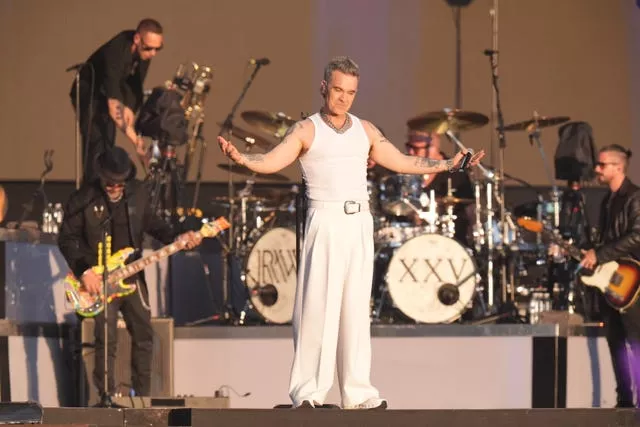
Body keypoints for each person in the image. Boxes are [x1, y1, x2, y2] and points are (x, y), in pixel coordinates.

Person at [218, 56, 484, 409]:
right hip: (324, 220)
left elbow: (403, 161)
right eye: (338, 90)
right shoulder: (306, 129)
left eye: (351, 92)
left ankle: (358, 393)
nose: (344, 98)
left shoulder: (366, 129)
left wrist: (448, 163)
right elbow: (272, 161)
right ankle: (308, 392)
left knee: (356, 309)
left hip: (359, 221)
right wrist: (244, 159)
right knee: (318, 307)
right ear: (325, 87)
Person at [58, 146, 202, 400]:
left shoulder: (138, 193)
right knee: (106, 339)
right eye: (111, 182)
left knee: (145, 334)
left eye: (120, 182)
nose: (115, 187)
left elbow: (154, 225)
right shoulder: (84, 199)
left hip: (131, 277)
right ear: (101, 177)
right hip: (98, 279)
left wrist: (176, 238)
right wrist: (84, 271)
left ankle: (142, 398)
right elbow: (66, 238)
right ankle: (107, 397)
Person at [580, 144, 640, 408]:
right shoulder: (608, 200)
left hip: (632, 281)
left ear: (618, 167)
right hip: (612, 281)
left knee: (635, 340)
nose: (597, 169)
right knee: (615, 340)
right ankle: (624, 399)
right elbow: (606, 240)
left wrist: (600, 254)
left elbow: (637, 235)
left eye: (602, 165)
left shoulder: (635, 197)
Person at [70, 19, 164, 182]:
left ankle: (104, 191)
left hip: (109, 94)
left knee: (108, 145)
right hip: (90, 93)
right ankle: (90, 194)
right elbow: (114, 105)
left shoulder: (143, 54)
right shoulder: (115, 52)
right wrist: (136, 142)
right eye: (149, 48)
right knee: (96, 145)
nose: (153, 53)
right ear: (137, 39)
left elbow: (135, 86)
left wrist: (129, 108)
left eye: (158, 49)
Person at [404, 129, 475, 245]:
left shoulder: (455, 173)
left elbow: (470, 209)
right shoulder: (405, 170)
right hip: (410, 240)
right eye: (408, 146)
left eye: (416, 148)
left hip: (450, 241)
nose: (410, 152)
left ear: (433, 148)